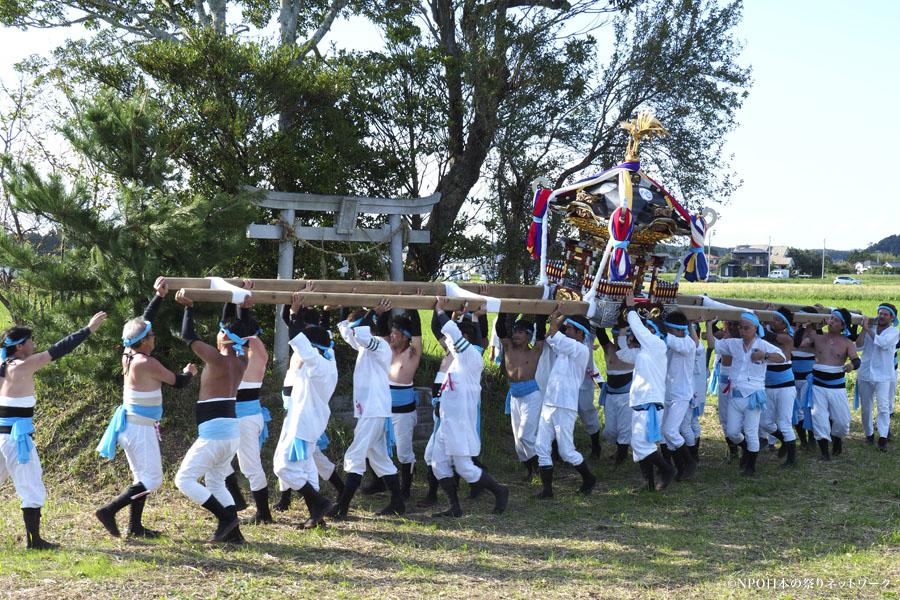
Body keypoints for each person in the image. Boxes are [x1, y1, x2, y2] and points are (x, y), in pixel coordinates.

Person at [95, 277, 196, 538]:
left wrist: (159, 297)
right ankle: (109, 511)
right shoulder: (145, 363)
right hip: (139, 429)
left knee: (141, 478)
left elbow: (143, 321)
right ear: (143, 341)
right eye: (151, 335)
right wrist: (190, 372)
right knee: (152, 481)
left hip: (134, 425)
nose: (154, 337)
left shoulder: (129, 351)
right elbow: (179, 383)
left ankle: (135, 527)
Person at [1, 310, 107, 549]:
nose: (34, 345)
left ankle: (35, 540)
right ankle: (34, 541)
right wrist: (88, 329)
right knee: (32, 488)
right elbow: (60, 349)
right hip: (16, 440)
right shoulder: (22, 367)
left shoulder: (2, 364)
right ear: (19, 346)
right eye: (30, 341)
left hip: (1, 436)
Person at [173, 290, 251, 544]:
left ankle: (226, 520)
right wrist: (233, 298)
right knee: (216, 481)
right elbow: (236, 329)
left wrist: (188, 308)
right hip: (230, 432)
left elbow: (188, 336)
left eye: (220, 331)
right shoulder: (241, 360)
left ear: (226, 337)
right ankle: (234, 535)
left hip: (215, 432)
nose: (217, 334)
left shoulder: (216, 359)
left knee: (183, 479)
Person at [429, 296, 508, 517]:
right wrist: (469, 315)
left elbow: (452, 333)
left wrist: (439, 309)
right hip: (447, 422)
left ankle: (500, 491)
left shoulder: (472, 356)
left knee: (464, 468)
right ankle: (454, 507)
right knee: (438, 464)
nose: (454, 341)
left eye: (461, 335)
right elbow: (447, 333)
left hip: (460, 423)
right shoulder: (459, 357)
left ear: (465, 338)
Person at [328, 302, 405, 519]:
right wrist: (342, 306)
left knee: (355, 456)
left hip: (374, 409)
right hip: (372, 410)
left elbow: (359, 331)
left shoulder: (378, 344)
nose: (352, 332)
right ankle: (398, 502)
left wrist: (373, 313)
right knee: (379, 458)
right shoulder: (364, 345)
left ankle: (341, 507)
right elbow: (347, 330)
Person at [273, 292, 340, 529]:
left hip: (303, 423)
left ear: (312, 347)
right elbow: (314, 336)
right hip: (309, 421)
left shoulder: (317, 362)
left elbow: (294, 336)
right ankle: (317, 517)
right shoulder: (329, 358)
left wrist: (294, 311)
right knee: (307, 467)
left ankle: (318, 502)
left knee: (282, 466)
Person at [218, 283, 275, 525]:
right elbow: (231, 328)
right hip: (242, 416)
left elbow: (231, 331)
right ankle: (239, 501)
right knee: (219, 461)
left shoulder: (234, 356)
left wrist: (237, 301)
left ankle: (264, 514)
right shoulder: (257, 354)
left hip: (245, 418)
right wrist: (236, 298)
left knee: (250, 466)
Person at [362, 299, 424, 500]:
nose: (391, 335)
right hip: (383, 409)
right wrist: (384, 310)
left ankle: (405, 490)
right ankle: (378, 482)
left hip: (403, 412)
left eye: (396, 332)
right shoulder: (386, 349)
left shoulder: (413, 353)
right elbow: (381, 329)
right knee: (372, 446)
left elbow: (416, 331)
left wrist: (413, 306)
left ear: (405, 337)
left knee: (404, 453)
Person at [534, 305, 596, 499]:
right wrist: (562, 317)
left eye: (569, 328)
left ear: (580, 333)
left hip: (565, 404)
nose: (565, 330)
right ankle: (547, 490)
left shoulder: (580, 349)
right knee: (541, 446)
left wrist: (555, 316)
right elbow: (550, 336)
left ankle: (589, 478)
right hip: (550, 402)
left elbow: (555, 335)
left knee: (566, 451)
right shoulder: (567, 346)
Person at [715, 312, 786, 476]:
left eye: (746, 328)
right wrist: (709, 327)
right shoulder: (734, 343)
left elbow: (782, 357)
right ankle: (747, 448)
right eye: (741, 327)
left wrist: (765, 355)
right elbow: (715, 345)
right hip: (735, 394)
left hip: (753, 395)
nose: (742, 330)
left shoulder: (763, 344)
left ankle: (751, 467)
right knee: (733, 432)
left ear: (755, 328)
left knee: (751, 431)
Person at [617, 291, 674, 491]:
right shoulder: (644, 352)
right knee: (639, 444)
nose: (645, 330)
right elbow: (624, 354)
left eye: (650, 328)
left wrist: (631, 308)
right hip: (640, 401)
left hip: (649, 401)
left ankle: (667, 470)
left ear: (656, 333)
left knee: (642, 444)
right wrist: (622, 335)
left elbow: (640, 331)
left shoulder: (657, 345)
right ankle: (648, 484)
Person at [796, 308, 860, 461]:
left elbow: (856, 360)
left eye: (836, 320)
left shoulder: (847, 342)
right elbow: (798, 344)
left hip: (837, 387)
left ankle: (837, 439)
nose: (832, 322)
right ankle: (824, 453)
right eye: (831, 318)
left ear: (843, 326)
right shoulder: (817, 338)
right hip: (818, 386)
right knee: (819, 417)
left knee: (842, 420)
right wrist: (804, 327)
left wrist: (851, 366)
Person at [495, 312, 547, 478]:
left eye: (520, 332)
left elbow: (541, 333)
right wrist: (503, 309)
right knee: (518, 442)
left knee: (525, 436)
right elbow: (500, 329)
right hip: (514, 396)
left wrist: (541, 313)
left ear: (529, 336)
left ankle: (542, 467)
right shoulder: (509, 347)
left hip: (531, 396)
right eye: (515, 332)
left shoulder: (535, 350)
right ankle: (531, 471)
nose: (516, 335)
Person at [659, 311, 700, 481]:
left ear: (680, 330)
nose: (667, 332)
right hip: (666, 392)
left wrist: (657, 325)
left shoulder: (687, 343)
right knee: (665, 434)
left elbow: (671, 341)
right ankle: (680, 469)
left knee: (670, 431)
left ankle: (690, 462)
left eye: (670, 329)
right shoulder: (671, 340)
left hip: (681, 395)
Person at [855, 303, 899, 452]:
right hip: (865, 372)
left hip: (884, 375)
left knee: (883, 407)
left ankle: (883, 437)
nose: (881, 316)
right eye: (880, 313)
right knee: (866, 407)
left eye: (885, 314)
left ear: (892, 318)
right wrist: (863, 329)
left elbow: (882, 343)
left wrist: (867, 328)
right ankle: (869, 434)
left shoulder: (894, 332)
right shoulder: (871, 329)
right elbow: (858, 346)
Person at [760, 307, 799, 467]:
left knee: (784, 423)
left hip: (785, 387)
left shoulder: (787, 338)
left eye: (776, 319)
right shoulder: (770, 337)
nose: (772, 321)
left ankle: (792, 459)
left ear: (785, 324)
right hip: (768, 386)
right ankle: (785, 441)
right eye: (772, 318)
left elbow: (768, 335)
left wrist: (758, 322)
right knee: (766, 423)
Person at [596, 324, 634, 467]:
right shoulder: (608, 348)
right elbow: (600, 332)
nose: (618, 339)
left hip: (627, 394)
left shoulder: (635, 351)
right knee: (609, 431)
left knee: (625, 428)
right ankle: (620, 449)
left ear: (630, 337)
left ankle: (622, 455)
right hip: (611, 394)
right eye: (616, 336)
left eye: (622, 336)